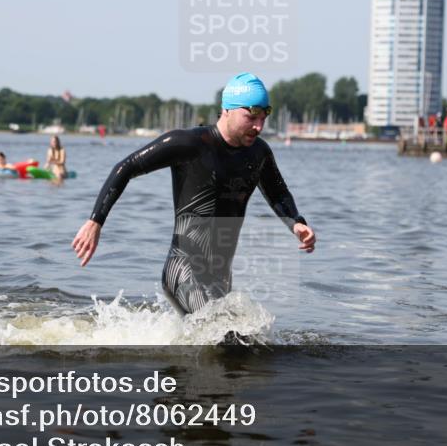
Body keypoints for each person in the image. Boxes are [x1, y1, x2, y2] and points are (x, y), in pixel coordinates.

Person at [71, 72, 316, 316]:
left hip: (220, 276)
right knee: (225, 337)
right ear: (227, 110)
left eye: (263, 118)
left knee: (242, 344)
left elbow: (278, 192)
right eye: (251, 117)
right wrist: (96, 221)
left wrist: (295, 222)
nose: (258, 127)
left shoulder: (259, 153)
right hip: (183, 270)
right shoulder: (189, 144)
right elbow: (126, 167)